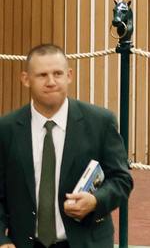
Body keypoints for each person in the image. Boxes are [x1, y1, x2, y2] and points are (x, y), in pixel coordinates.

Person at [0, 44, 133, 247]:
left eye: (57, 74)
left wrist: (96, 201)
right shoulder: (6, 129)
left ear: (69, 75)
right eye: (42, 75)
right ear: (26, 79)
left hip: (84, 242)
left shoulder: (100, 123)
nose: (51, 82)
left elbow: (122, 180)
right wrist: (2, 239)